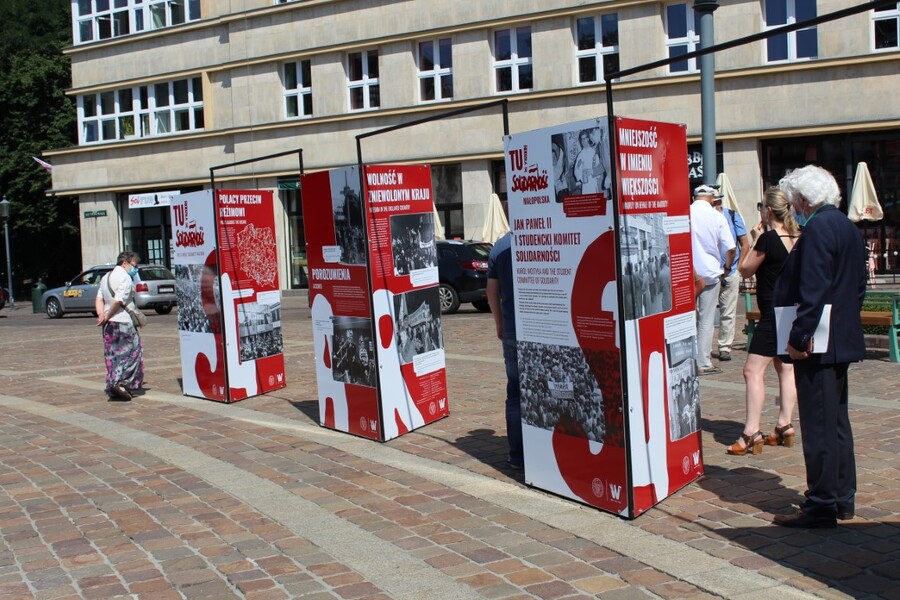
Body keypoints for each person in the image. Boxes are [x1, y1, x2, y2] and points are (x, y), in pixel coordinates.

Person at [772, 165, 867, 529]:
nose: (793, 208)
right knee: (837, 421)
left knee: (819, 424)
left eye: (794, 201)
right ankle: (842, 497)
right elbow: (858, 287)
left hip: (819, 342)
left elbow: (813, 289)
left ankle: (822, 502)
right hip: (839, 337)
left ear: (805, 199)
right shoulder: (846, 227)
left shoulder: (818, 229)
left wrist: (799, 337)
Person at [727, 188, 799, 455]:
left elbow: (745, 269)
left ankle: (751, 432)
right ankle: (784, 425)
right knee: (785, 368)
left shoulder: (768, 239)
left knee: (752, 371)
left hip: (772, 313)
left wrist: (756, 239)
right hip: (793, 312)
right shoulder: (799, 236)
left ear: (768, 211)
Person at [486, 230, 523, 470]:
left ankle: (517, 455)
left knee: (515, 393)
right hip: (539, 328)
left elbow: (491, 292)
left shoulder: (499, 247)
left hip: (511, 328)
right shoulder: (539, 234)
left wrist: (499, 322)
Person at [690, 184, 736, 375]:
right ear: (712, 199)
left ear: (694, 198)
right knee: (706, 320)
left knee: (687, 319)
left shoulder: (686, 212)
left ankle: (687, 358)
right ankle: (702, 360)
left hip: (687, 272)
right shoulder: (717, 216)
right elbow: (731, 248)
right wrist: (726, 267)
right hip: (710, 273)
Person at [95, 251, 145, 400]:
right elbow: (118, 301)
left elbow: (99, 298)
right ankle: (122, 384)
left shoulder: (106, 277)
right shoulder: (125, 278)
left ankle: (113, 384)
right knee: (133, 353)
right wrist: (108, 315)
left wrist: (102, 315)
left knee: (112, 355)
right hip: (122, 322)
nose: (135, 269)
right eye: (134, 265)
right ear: (125, 263)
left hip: (109, 325)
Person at [715, 196, 749, 362]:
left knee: (727, 312)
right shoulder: (702, 217)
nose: (715, 205)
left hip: (730, 271)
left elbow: (744, 243)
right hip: (709, 273)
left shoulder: (733, 216)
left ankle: (725, 347)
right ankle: (703, 349)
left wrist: (739, 267)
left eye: (717, 201)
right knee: (703, 313)